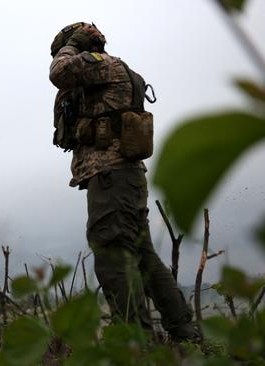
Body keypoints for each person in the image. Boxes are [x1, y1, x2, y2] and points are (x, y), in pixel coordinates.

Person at [49, 22, 200, 342]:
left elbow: (59, 72)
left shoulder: (100, 65)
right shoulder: (113, 70)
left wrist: (70, 46)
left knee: (111, 253)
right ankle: (184, 332)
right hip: (122, 178)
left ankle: (135, 343)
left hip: (112, 176)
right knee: (142, 255)